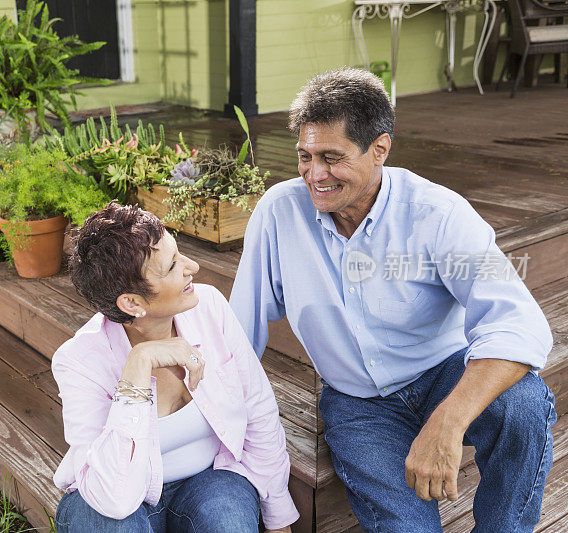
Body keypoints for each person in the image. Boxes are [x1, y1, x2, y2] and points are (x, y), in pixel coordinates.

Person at [229, 67, 556, 532]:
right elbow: (239, 330)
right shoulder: (279, 213)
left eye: (331, 157)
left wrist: (449, 420)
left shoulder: (438, 213)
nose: (313, 174)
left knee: (523, 406)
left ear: (379, 149)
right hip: (357, 404)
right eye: (304, 155)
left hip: (445, 372)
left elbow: (519, 324)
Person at [51, 202, 300, 532]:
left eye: (179, 254)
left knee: (228, 522)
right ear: (133, 303)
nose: (192, 266)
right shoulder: (79, 361)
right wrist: (139, 364)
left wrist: (279, 516)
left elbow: (258, 410)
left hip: (210, 482)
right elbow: (112, 495)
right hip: (117, 497)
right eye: (171, 267)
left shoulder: (209, 305)